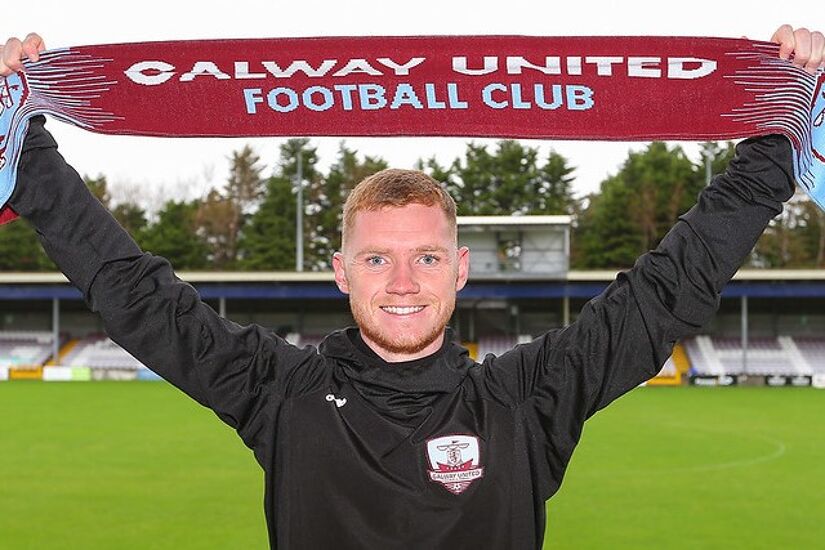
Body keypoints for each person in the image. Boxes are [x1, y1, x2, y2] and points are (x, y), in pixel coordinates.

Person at [1, 25, 823, 550]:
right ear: (340, 270)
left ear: (459, 270)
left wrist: (780, 129)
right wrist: (26, 149)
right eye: (377, 259)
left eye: (426, 258)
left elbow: (664, 292)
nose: (402, 281)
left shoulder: (526, 396)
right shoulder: (278, 390)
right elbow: (134, 294)